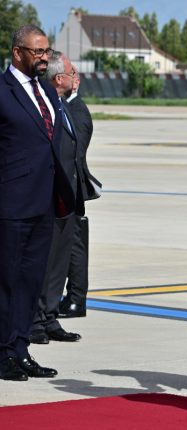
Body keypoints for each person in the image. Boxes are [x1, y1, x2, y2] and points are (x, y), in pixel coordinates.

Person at [0, 25, 75, 381]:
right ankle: (2, 353)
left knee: (31, 280)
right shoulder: (3, 91)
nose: (45, 58)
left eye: (47, 51)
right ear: (18, 53)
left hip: (45, 202)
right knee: (6, 281)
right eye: (38, 52)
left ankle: (20, 348)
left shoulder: (46, 91)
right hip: (10, 204)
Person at [30, 51, 83, 345]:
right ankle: (36, 321)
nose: (76, 76)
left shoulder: (62, 105)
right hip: (49, 195)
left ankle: (50, 317)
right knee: (45, 261)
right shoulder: (45, 106)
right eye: (71, 71)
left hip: (67, 196)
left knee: (60, 262)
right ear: (59, 78)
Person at [59, 64, 102, 319]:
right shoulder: (65, 108)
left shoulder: (78, 112)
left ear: (76, 82)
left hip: (72, 190)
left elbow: (76, 154)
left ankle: (76, 299)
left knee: (76, 248)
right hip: (65, 190)